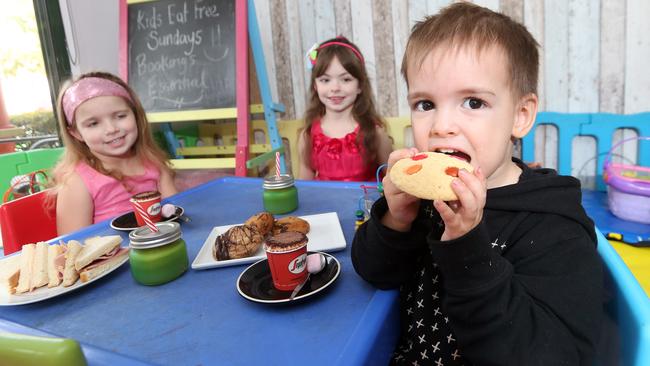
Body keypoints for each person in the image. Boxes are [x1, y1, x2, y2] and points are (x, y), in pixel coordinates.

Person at [352, 3, 602, 365]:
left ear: (520, 116)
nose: (440, 126)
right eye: (425, 104)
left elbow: (553, 354)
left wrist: (468, 247)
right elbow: (375, 274)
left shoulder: (552, 225)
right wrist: (395, 220)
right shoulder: (425, 200)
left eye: (473, 102)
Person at [51, 71, 177, 235]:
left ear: (136, 115)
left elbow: (176, 211)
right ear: (76, 133)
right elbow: (73, 246)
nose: (111, 129)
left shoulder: (153, 162)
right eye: (94, 123)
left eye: (120, 116)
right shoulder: (76, 182)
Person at [297, 36, 392, 181]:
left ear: (360, 85)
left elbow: (393, 183)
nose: (335, 88)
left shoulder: (375, 134)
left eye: (346, 79)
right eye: (325, 80)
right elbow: (305, 189)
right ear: (315, 86)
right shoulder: (307, 136)